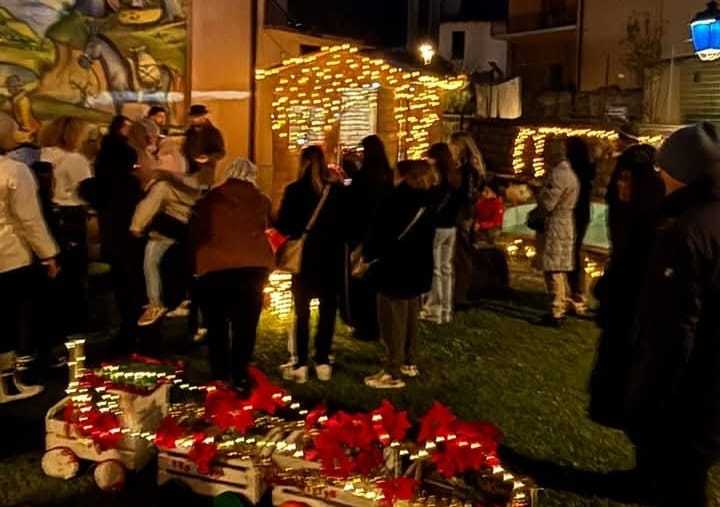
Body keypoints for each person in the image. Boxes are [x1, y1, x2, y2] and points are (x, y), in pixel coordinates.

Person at [625, 123, 720, 506]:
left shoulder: (688, 231)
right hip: (708, 378)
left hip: (691, 378)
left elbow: (676, 323)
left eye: (663, 169)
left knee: (682, 479)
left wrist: (654, 388)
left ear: (682, 172)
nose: (658, 176)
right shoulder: (707, 218)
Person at [588, 144, 664, 430]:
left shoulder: (652, 221)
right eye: (619, 178)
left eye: (627, 180)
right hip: (620, 294)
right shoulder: (621, 212)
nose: (621, 185)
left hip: (637, 297)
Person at [191, 159, 274, 389]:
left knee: (216, 324)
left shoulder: (210, 199)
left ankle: (219, 374)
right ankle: (239, 373)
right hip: (252, 268)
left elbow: (197, 231)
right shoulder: (262, 200)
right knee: (245, 325)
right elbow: (270, 228)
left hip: (214, 267)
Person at [0, 113, 59, 403]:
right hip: (9, 254)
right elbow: (29, 219)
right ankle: (6, 384)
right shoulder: (14, 170)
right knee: (8, 319)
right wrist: (48, 255)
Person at [363, 160, 436, 389]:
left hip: (393, 267)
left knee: (391, 319)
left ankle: (392, 371)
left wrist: (368, 255)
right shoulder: (429, 200)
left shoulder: (395, 200)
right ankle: (408, 361)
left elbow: (379, 233)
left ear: (404, 176)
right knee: (411, 313)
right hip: (418, 266)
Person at [275, 145, 344, 384]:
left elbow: (283, 224)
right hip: (331, 258)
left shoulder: (294, 190)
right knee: (328, 310)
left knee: (301, 311)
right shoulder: (336, 191)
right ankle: (323, 361)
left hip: (304, 259)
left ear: (302, 163)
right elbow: (347, 224)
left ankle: (301, 362)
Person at [39, 117, 94, 341]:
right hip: (71, 216)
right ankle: (74, 328)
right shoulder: (75, 160)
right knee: (74, 274)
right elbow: (88, 191)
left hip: (50, 216)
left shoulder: (44, 155)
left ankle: (52, 327)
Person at [94, 115, 145, 352]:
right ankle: (135, 332)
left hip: (112, 239)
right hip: (130, 241)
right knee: (134, 285)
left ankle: (126, 330)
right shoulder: (130, 186)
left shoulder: (99, 184)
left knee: (121, 286)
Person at [347, 135, 394, 340]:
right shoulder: (389, 176)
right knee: (377, 281)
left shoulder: (362, 177)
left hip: (361, 234)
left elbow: (354, 205)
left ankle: (363, 325)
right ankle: (379, 324)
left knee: (360, 279)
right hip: (382, 234)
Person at [533, 139, 580, 326]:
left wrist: (537, 209)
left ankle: (556, 311)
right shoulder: (570, 174)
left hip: (556, 225)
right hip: (564, 222)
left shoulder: (559, 175)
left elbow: (548, 202)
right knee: (558, 268)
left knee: (553, 268)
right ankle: (562, 305)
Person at [421, 143, 462, 324]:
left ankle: (434, 310)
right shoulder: (454, 177)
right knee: (446, 269)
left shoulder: (439, 179)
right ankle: (446, 309)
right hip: (451, 227)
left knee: (435, 269)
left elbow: (432, 203)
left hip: (437, 227)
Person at [449, 132, 486, 308]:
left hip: (462, 214)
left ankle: (460, 294)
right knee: (460, 254)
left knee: (461, 255)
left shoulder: (468, 170)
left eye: (453, 145)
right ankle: (459, 292)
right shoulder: (471, 169)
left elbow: (468, 195)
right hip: (464, 214)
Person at [565, 136, 596, 316]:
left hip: (575, 212)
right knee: (574, 251)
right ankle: (576, 291)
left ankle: (576, 292)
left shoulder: (576, 170)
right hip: (581, 213)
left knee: (572, 252)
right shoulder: (588, 168)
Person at [183, 104, 225, 176]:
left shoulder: (213, 132)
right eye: (192, 117)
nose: (194, 119)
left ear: (204, 116)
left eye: (197, 116)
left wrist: (208, 158)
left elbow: (221, 152)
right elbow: (186, 149)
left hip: (205, 172)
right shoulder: (189, 132)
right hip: (190, 171)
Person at [5, 75, 40, 143]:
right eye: (8, 87)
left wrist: (25, 133)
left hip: (29, 131)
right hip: (21, 128)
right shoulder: (14, 100)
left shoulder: (23, 101)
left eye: (9, 87)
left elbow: (26, 122)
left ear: (15, 88)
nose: (8, 90)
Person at [473, 179, 505, 247]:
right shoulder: (481, 202)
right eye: (484, 191)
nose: (483, 193)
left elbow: (496, 222)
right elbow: (477, 215)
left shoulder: (498, 205)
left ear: (494, 193)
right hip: (480, 230)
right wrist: (476, 223)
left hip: (490, 232)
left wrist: (481, 225)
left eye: (487, 191)